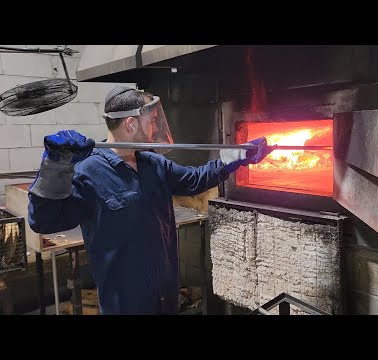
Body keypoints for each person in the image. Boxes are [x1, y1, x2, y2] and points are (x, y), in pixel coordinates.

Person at [27, 86, 272, 315]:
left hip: (166, 298)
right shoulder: (89, 171)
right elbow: (44, 222)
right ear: (131, 124)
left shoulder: (153, 163)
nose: (157, 126)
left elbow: (193, 180)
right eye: (153, 120)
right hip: (126, 304)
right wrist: (54, 167)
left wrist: (234, 159)